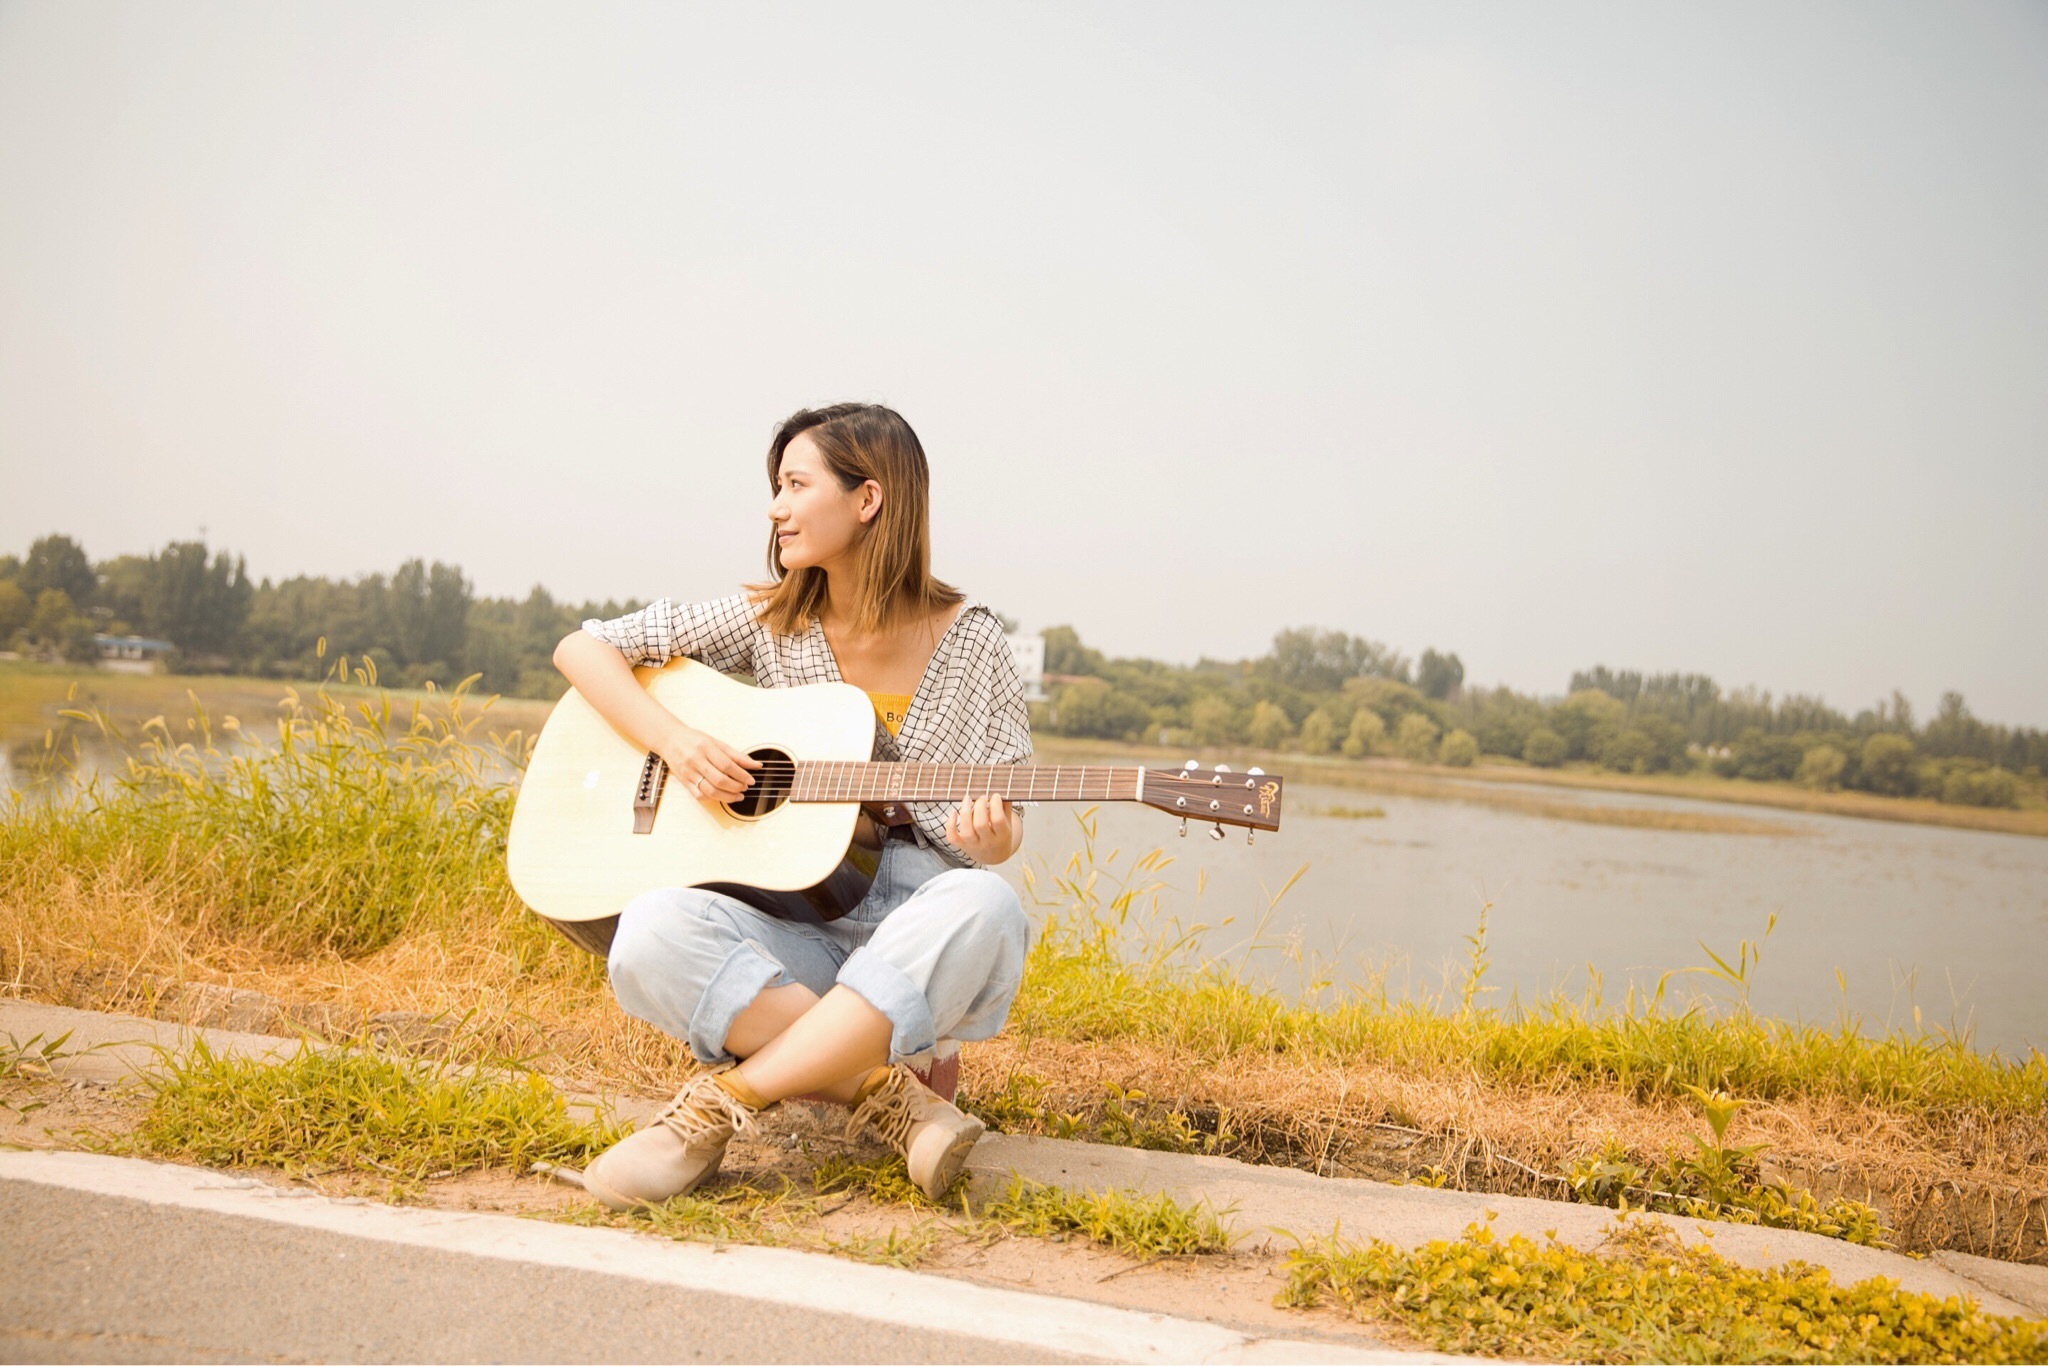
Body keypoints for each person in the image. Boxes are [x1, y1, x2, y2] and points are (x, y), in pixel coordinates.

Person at [552, 403, 1032, 1210]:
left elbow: (1000, 827)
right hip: (796, 918)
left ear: (868, 499)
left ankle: (717, 1108)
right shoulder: (775, 619)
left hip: (913, 923)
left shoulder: (975, 641)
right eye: (775, 487)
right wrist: (675, 742)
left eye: (794, 484)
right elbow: (582, 648)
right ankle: (888, 1098)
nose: (774, 508)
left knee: (986, 901)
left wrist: (993, 839)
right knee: (650, 932)